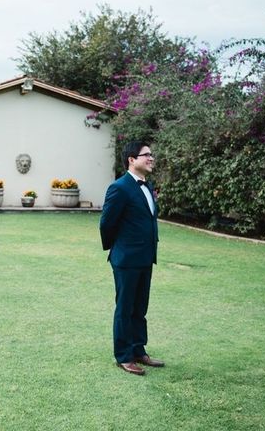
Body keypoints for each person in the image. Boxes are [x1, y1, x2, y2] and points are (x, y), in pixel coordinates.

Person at [99, 141, 163, 376]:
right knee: (125, 308)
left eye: (151, 154)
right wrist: (117, 248)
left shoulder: (147, 185)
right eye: (146, 155)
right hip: (126, 259)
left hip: (146, 258)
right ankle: (124, 356)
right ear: (131, 160)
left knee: (140, 308)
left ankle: (138, 350)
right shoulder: (120, 187)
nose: (151, 158)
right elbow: (107, 223)